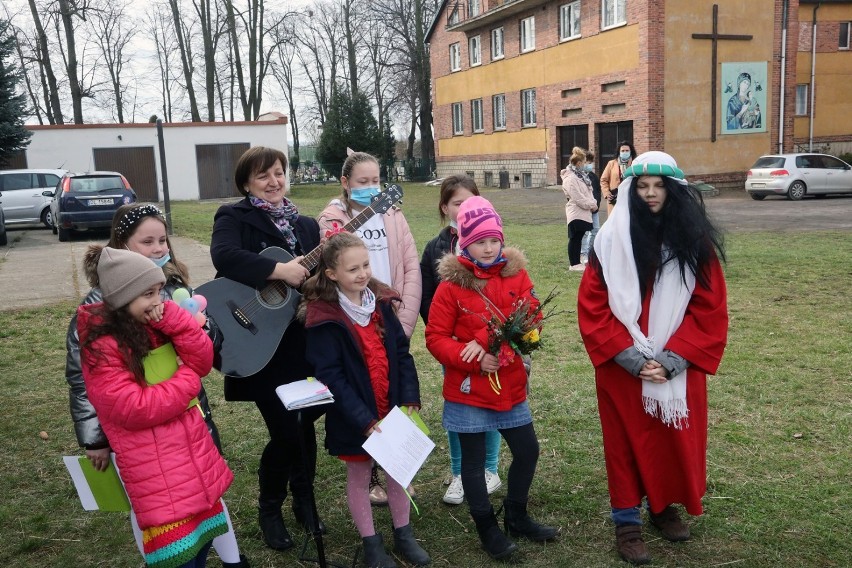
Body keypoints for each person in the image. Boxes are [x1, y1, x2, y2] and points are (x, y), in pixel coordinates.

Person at [65, 203, 248, 567]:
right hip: (149, 438)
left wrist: (188, 326)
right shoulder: (102, 321)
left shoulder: (163, 291)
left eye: (163, 240)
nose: (159, 248)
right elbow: (86, 383)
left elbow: (203, 350)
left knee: (203, 495)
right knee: (161, 514)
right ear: (122, 244)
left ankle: (230, 559)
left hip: (186, 423)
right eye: (147, 241)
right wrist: (94, 438)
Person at [577, 151, 729, 565]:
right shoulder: (608, 242)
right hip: (623, 367)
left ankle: (663, 507)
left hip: (674, 368)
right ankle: (627, 522)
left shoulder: (694, 244)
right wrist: (631, 357)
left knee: (669, 437)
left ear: (673, 191)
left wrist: (672, 358)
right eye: (641, 187)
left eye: (658, 187)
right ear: (630, 190)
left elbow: (709, 307)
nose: (649, 194)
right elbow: (593, 306)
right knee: (625, 443)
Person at [425, 196, 558, 561]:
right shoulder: (451, 287)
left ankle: (516, 515)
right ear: (465, 243)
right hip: (469, 389)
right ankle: (487, 528)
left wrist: (494, 344)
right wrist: (471, 359)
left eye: (493, 239)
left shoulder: (516, 274)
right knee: (473, 460)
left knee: (527, 450)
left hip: (509, 384)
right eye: (479, 241)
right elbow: (435, 337)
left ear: (502, 239)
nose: (487, 247)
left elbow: (531, 317)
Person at [210, 146, 324, 552]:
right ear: (246, 183)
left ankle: (306, 503)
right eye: (263, 176)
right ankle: (270, 508)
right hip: (257, 341)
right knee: (284, 430)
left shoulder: (308, 226)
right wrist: (279, 270)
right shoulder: (234, 216)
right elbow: (224, 256)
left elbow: (318, 279)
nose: (274, 182)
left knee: (305, 424)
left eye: (278, 173)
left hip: (300, 341)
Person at [299, 232, 431, 568]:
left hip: (391, 405)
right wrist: (364, 420)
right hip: (355, 416)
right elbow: (331, 377)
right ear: (331, 274)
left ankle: (404, 534)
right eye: (352, 269)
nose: (362, 274)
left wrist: (410, 397)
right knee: (359, 476)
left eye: (366, 265)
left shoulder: (381, 303)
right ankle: (371, 544)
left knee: (397, 473)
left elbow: (401, 353)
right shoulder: (324, 317)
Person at [318, 150, 421, 506]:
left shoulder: (393, 213)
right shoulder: (332, 218)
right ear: (345, 183)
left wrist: (404, 318)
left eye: (376, 181)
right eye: (362, 182)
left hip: (389, 316)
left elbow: (409, 264)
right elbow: (327, 261)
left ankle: (397, 468)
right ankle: (372, 474)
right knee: (365, 396)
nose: (371, 188)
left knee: (393, 393)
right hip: (353, 320)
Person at [419, 175, 503, 505]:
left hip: (490, 347)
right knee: (458, 411)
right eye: (458, 203)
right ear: (444, 208)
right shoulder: (435, 248)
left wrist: (490, 341)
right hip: (455, 350)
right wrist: (448, 341)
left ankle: (489, 469)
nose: (465, 208)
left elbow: (508, 300)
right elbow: (428, 297)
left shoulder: (495, 247)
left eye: (471, 201)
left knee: (491, 406)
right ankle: (459, 472)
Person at [562, 147, 597, 272]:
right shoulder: (570, 178)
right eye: (584, 162)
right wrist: (592, 204)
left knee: (579, 236)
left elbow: (587, 193)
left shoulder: (581, 176)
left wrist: (593, 202)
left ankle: (577, 261)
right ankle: (574, 263)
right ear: (578, 163)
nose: (586, 165)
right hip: (576, 212)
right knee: (575, 238)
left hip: (583, 212)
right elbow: (578, 198)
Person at [600, 141, 636, 215]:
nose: (625, 152)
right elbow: (603, 180)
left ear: (631, 151)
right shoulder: (611, 163)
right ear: (619, 152)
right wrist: (607, 192)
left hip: (630, 198)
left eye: (627, 150)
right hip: (614, 198)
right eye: (622, 151)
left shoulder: (635, 164)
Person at [579, 150, 602, 265]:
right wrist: (587, 205)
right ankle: (582, 253)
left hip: (594, 209)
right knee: (584, 232)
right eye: (587, 162)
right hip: (583, 209)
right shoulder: (577, 177)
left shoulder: (593, 176)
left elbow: (598, 191)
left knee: (595, 230)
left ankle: (591, 252)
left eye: (590, 162)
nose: (589, 164)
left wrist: (596, 206)